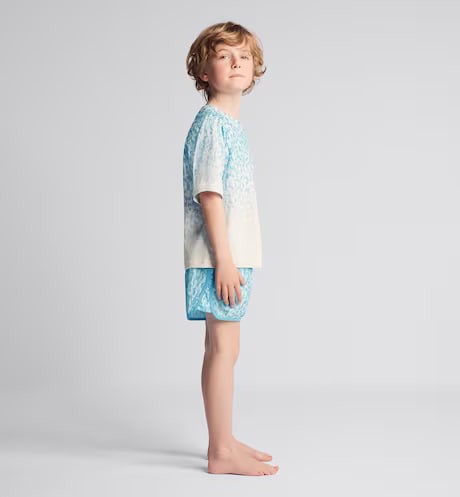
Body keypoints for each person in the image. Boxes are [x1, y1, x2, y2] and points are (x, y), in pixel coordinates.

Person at [183, 21, 279, 476]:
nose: (236, 63)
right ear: (204, 72)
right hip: (219, 258)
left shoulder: (229, 126)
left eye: (244, 56)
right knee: (222, 349)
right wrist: (224, 260)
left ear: (255, 69)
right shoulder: (212, 126)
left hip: (231, 256)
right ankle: (220, 451)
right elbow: (209, 195)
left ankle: (223, 439)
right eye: (224, 56)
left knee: (225, 348)